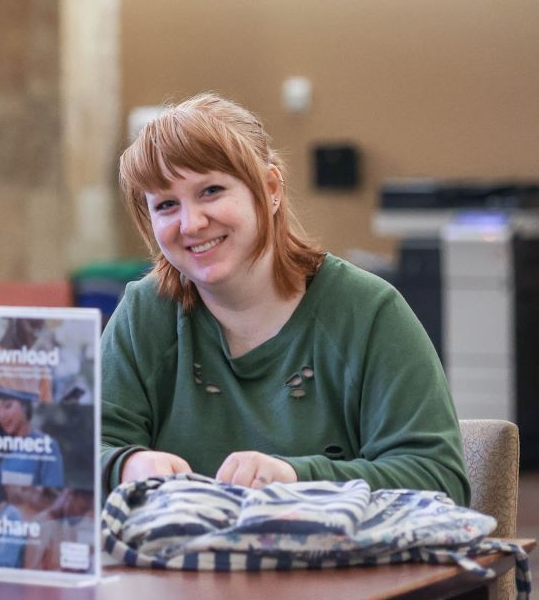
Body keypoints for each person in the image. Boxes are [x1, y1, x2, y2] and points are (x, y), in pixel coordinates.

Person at [100, 94, 469, 505]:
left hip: (337, 568)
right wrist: (125, 464)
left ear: (270, 189)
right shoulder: (144, 314)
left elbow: (439, 479)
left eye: (211, 191)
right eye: (166, 204)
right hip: (174, 569)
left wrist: (296, 477)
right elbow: (74, 456)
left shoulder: (368, 312)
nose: (191, 223)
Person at [0, 383, 64, 489]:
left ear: (25, 406)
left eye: (8, 406)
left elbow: (54, 495)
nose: (1, 415)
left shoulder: (47, 445)